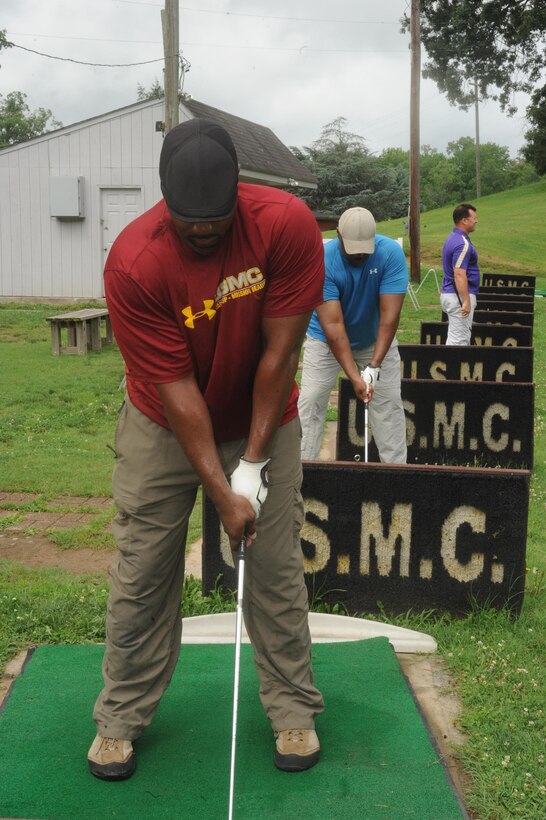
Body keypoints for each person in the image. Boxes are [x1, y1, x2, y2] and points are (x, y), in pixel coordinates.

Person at [87, 118, 325, 781]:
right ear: (165, 198)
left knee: (274, 564)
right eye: (189, 221)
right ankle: (120, 717)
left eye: (214, 222)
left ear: (237, 194)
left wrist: (250, 466)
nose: (202, 232)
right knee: (143, 568)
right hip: (163, 421)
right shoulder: (136, 260)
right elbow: (177, 393)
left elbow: (280, 353)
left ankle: (292, 708)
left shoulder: (285, 225)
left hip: (261, 409)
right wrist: (222, 493)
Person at [298, 207, 408, 464]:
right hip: (325, 340)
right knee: (311, 400)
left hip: (375, 339)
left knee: (388, 403)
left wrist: (374, 366)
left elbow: (389, 318)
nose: (359, 253)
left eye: (364, 247)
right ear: (338, 234)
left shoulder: (390, 254)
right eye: (353, 247)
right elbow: (334, 326)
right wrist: (354, 376)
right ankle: (303, 472)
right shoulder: (321, 261)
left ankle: (397, 474)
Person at [440, 203, 480, 345]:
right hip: (459, 297)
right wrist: (466, 301)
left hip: (452, 294)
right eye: (473, 218)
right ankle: (452, 367)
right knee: (459, 342)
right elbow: (459, 274)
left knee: (457, 338)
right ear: (464, 220)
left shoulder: (452, 237)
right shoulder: (462, 243)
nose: (476, 220)